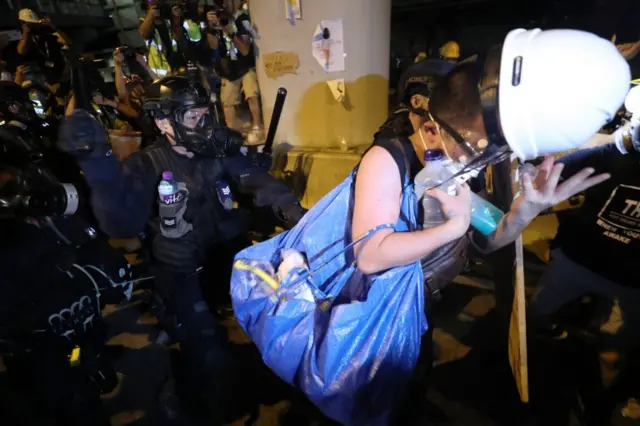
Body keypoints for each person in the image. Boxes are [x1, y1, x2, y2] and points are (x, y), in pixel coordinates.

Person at [352, 27, 629, 419]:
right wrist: (451, 226)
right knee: (366, 393)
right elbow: (368, 257)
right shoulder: (386, 161)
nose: (473, 166)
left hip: (416, 305)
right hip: (370, 310)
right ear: (429, 123)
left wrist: (524, 211)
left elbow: (485, 241)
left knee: (408, 379)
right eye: (474, 152)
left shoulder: (448, 167)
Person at [57, 75, 303, 423]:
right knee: (206, 353)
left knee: (276, 321)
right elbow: (120, 223)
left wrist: (291, 209)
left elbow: (256, 180)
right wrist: (98, 165)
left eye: (206, 115)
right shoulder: (145, 166)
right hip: (179, 272)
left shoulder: (214, 152)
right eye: (193, 118)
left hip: (223, 260)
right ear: (162, 122)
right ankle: (194, 404)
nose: (203, 124)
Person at [529, 141, 640, 423]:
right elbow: (550, 170)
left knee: (612, 352)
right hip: (582, 258)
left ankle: (599, 406)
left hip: (629, 279)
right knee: (538, 312)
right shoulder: (616, 153)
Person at [217, 0, 263, 141]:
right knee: (227, 101)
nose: (223, 4)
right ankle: (233, 134)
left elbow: (244, 50)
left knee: (251, 94)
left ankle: (257, 126)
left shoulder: (242, 19)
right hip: (229, 68)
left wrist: (231, 33)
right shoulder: (220, 20)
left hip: (245, 66)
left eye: (226, 1)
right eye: (220, 2)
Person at [139, 0, 180, 76]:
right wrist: (151, 15)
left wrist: (176, 17)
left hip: (175, 61)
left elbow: (177, 37)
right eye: (151, 2)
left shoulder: (167, 20)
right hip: (161, 67)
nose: (155, 5)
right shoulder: (144, 21)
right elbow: (144, 34)